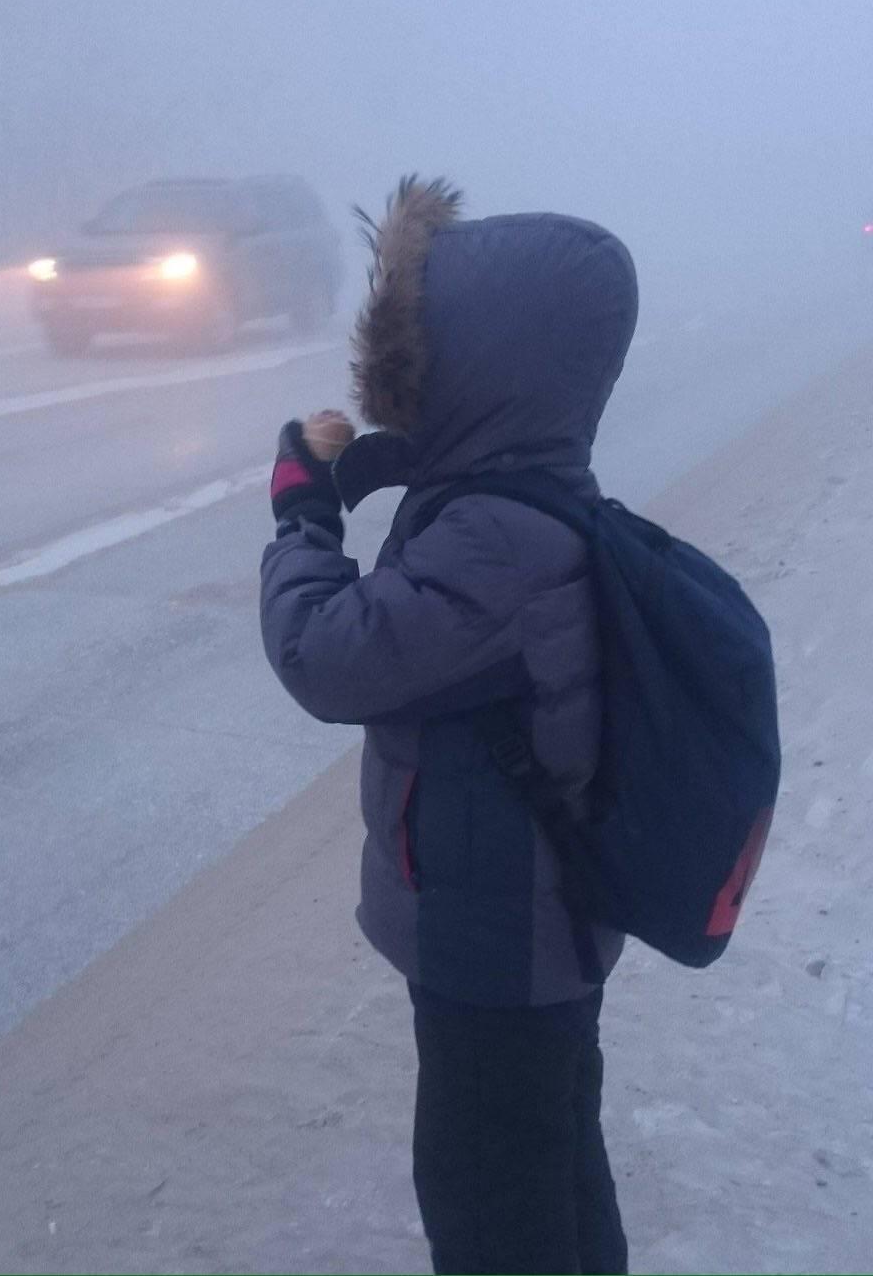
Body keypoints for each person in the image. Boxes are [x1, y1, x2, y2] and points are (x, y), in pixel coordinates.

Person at [259, 176, 638, 1275]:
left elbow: (325, 654)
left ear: (482, 369)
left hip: (496, 945)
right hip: (533, 926)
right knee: (554, 1165)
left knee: (490, 1212)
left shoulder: (496, 539)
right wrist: (361, 466)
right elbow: (446, 482)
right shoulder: (529, 490)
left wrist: (302, 514)